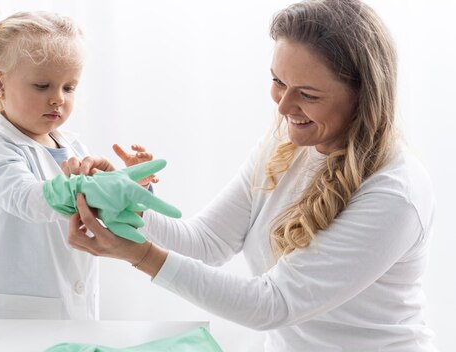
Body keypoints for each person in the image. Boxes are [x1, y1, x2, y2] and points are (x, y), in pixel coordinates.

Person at [66, 0, 437, 350]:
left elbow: (272, 304)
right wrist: (125, 202)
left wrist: (140, 255)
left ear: (363, 96)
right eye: (278, 81)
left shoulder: (394, 194)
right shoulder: (285, 145)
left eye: (307, 94)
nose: (284, 105)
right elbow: (206, 241)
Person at [0, 4, 155, 320]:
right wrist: (78, 189)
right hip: (16, 317)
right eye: (43, 86)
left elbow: (106, 215)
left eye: (69, 87)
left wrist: (128, 186)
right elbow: (27, 199)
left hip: (72, 307)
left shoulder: (74, 146)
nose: (59, 99)